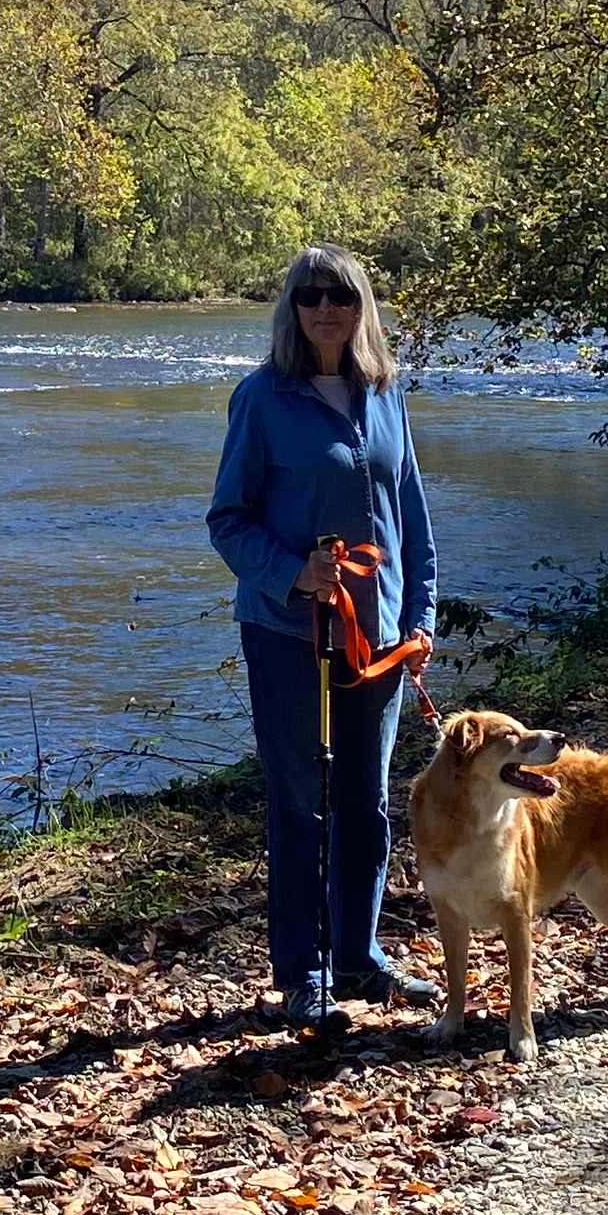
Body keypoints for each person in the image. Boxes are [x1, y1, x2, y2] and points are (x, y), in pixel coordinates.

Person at [205, 244, 438, 1031]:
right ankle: (303, 973)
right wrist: (290, 573)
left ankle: (359, 960)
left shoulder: (384, 394)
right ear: (293, 309)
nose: (326, 309)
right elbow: (227, 522)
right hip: (287, 632)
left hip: (377, 634)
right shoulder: (262, 399)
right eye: (310, 296)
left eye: (340, 294)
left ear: (361, 305)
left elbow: (410, 516)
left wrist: (422, 613)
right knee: (299, 799)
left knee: (365, 802)